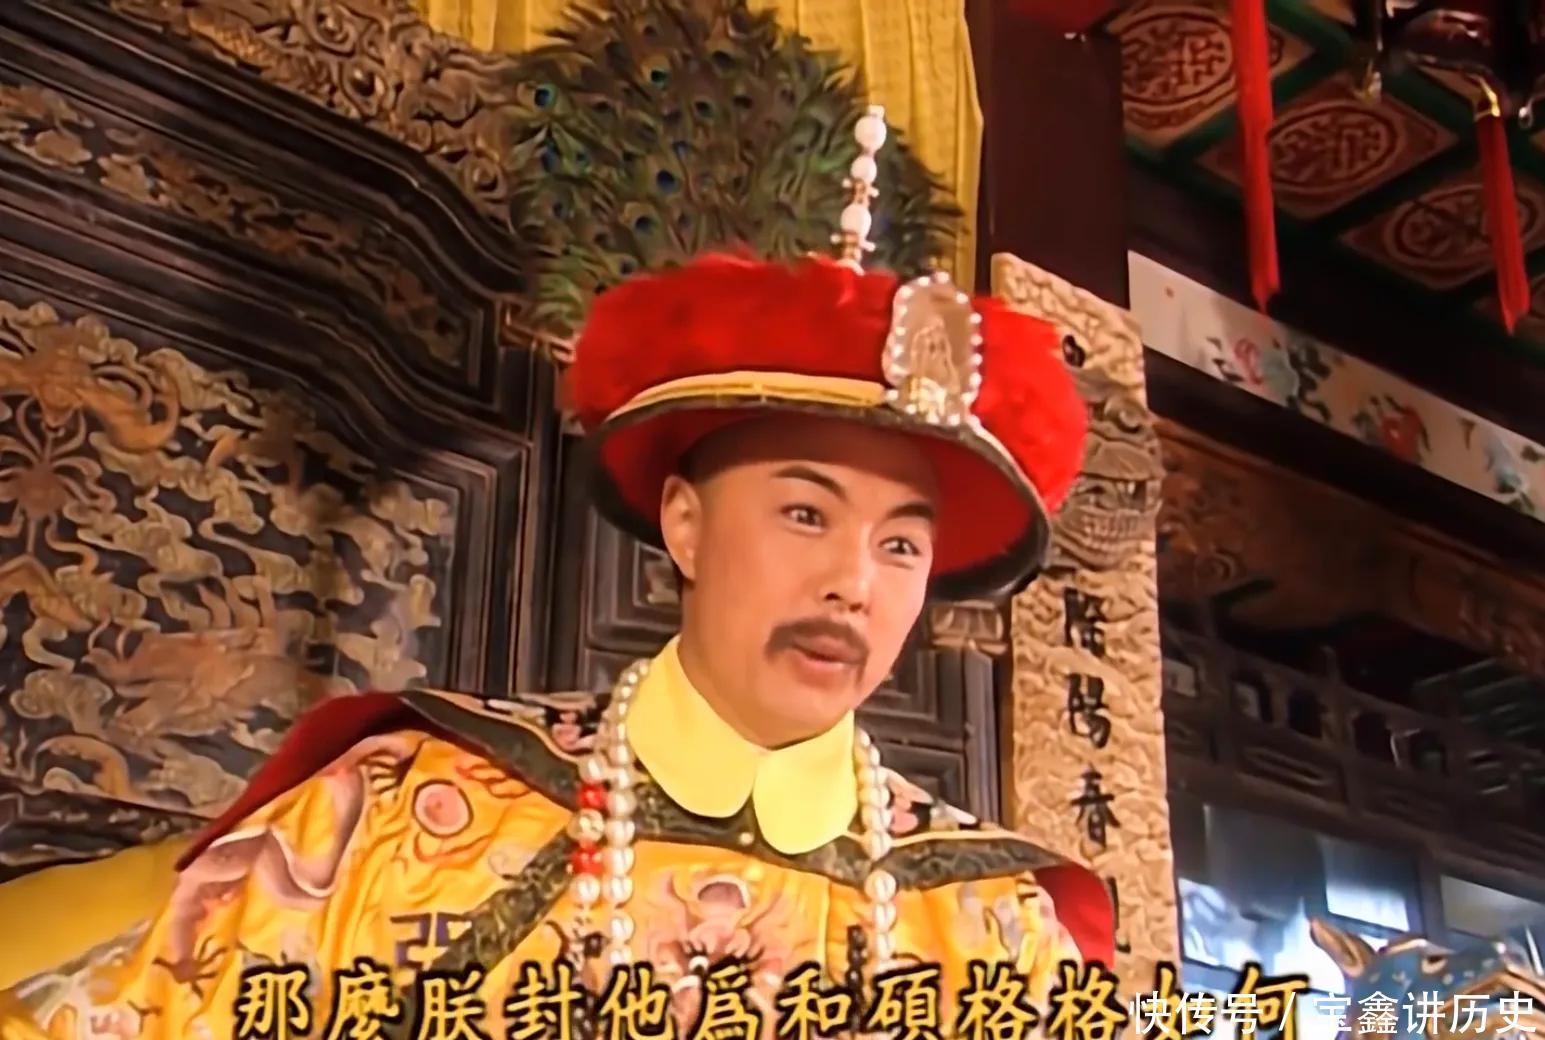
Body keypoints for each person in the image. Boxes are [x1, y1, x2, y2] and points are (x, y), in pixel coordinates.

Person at [0, 110, 1108, 1040]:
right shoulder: (412, 809)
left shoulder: (992, 925)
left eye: (900, 544)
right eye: (805, 513)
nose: (853, 583)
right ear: (685, 523)